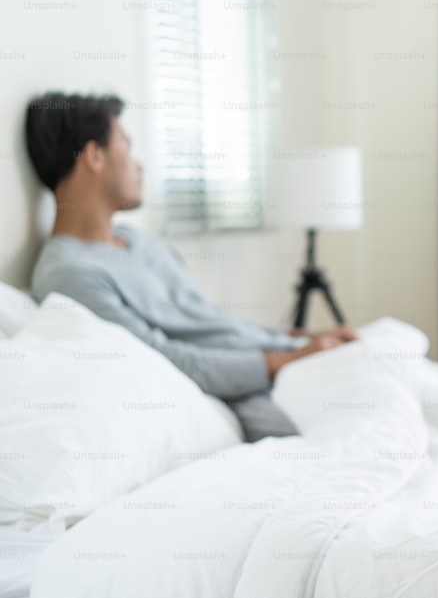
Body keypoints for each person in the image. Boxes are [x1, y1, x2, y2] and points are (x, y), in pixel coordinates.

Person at [25, 92, 356, 443]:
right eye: (126, 146)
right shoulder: (71, 274)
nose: (139, 164)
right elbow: (164, 359)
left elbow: (212, 322)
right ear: (94, 156)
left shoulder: (141, 242)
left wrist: (302, 338)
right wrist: (286, 359)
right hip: (247, 385)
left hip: (273, 355)